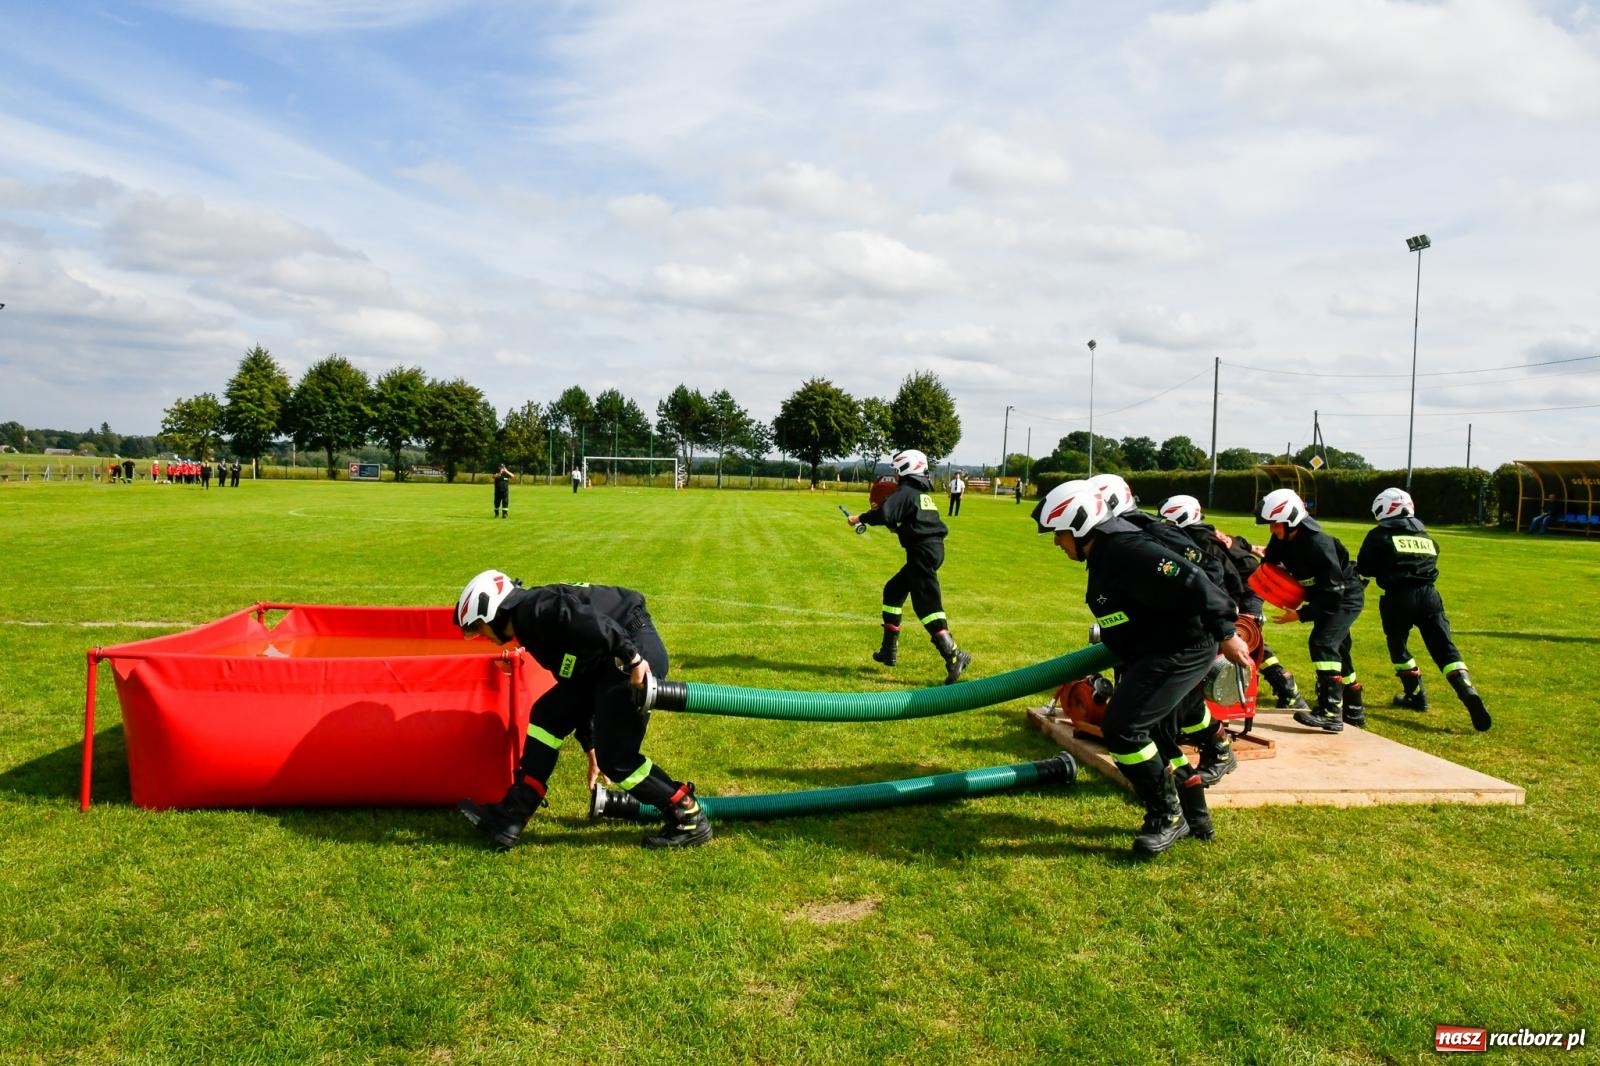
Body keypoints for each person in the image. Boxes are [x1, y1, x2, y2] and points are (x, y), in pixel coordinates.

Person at [1033, 480, 1251, 854]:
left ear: (1081, 526)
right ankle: (1196, 818)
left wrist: (1227, 633)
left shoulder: (1129, 550)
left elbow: (1194, 581)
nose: (1056, 542)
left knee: (1124, 729)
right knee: (1160, 732)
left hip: (1181, 648)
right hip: (1155, 649)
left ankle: (1167, 816)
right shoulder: (1108, 550)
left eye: (1059, 533)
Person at [454, 570, 711, 849]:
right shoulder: (529, 622)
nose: (481, 635)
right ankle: (512, 815)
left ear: (491, 612)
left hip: (630, 650)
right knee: (548, 715)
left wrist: (634, 659)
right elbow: (577, 679)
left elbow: (590, 620)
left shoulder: (535, 609)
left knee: (618, 760)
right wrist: (590, 744)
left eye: (477, 627)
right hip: (614, 653)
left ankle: (688, 816)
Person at [1157, 494, 1309, 712]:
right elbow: (1237, 541)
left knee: (1244, 637)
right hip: (1245, 583)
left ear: (1181, 517)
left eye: (1168, 521)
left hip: (1246, 588)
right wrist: (1251, 547)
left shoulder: (1199, 541)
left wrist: (1230, 609)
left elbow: (1230, 576)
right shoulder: (1204, 531)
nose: (1165, 525)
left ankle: (1287, 688)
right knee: (1240, 638)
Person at [1357, 488, 1491, 731]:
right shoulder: (1426, 537)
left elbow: (1365, 568)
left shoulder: (1379, 535)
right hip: (1430, 597)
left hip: (1398, 598)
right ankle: (1467, 689)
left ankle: (1415, 694)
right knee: (1445, 649)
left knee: (1398, 646)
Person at [845, 448, 972, 684]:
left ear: (906, 468)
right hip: (929, 550)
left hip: (922, 552)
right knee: (893, 591)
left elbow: (884, 514)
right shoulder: (920, 494)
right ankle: (888, 651)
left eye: (897, 469)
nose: (895, 474)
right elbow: (910, 521)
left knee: (927, 605)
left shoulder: (906, 491)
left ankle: (955, 655)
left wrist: (859, 518)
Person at [1258, 488, 1367, 732]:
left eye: (1275, 524)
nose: (1272, 530)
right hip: (1323, 595)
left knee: (1323, 642)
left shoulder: (1319, 544)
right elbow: (1269, 563)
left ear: (1292, 520)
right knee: (1339, 648)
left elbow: (1333, 594)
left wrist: (1301, 614)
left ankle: (1330, 712)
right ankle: (1354, 709)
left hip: (1343, 597)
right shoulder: (1282, 539)